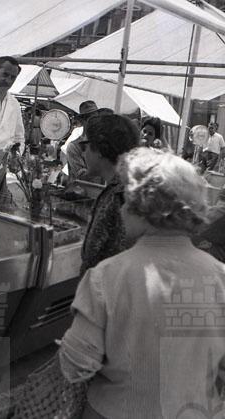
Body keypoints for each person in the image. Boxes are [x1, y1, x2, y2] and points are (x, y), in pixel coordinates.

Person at [59, 147, 225, 418]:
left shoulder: (106, 277)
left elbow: (76, 364)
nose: (123, 209)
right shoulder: (220, 277)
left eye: (127, 201)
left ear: (143, 209)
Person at [78, 114, 139, 275]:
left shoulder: (117, 195)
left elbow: (94, 258)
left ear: (98, 149)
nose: (83, 153)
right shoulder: (131, 186)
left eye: (84, 146)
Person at [65, 101, 111, 183]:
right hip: (85, 189)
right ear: (83, 121)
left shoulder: (104, 142)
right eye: (90, 119)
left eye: (96, 118)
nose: (95, 122)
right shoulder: (74, 146)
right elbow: (81, 176)